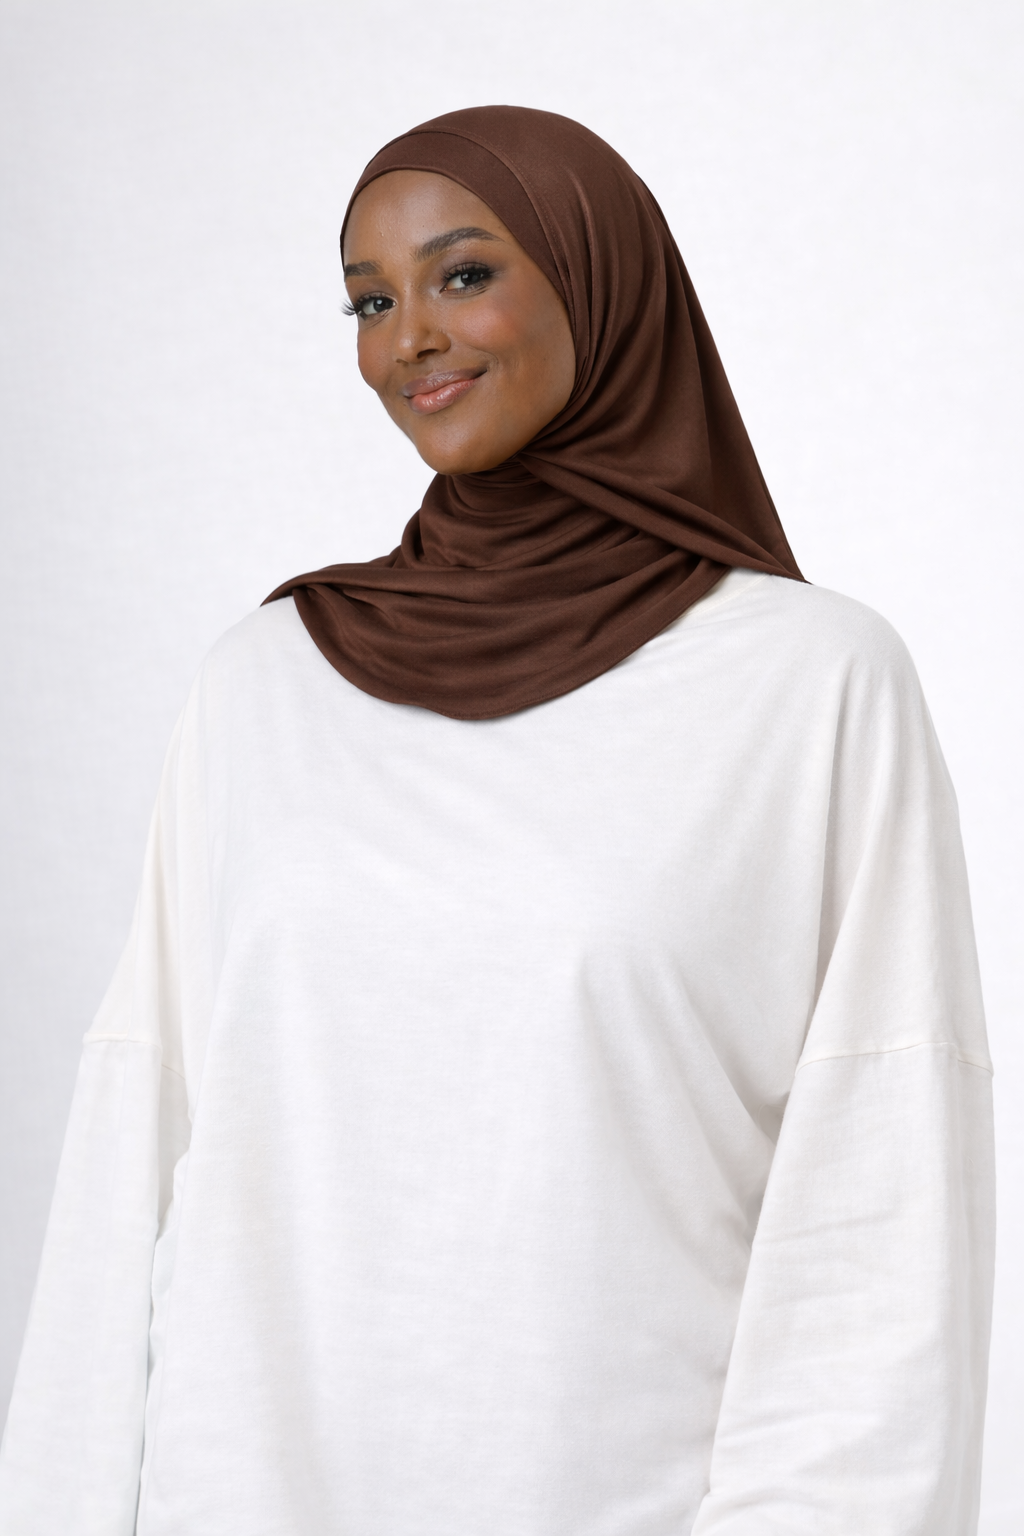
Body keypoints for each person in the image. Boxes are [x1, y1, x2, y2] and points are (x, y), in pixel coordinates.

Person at [0, 106, 994, 1536]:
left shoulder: (811, 683)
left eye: (462, 275)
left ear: (601, 279)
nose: (408, 339)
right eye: (368, 301)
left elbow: (877, 1205)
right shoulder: (263, 685)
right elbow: (136, 1134)